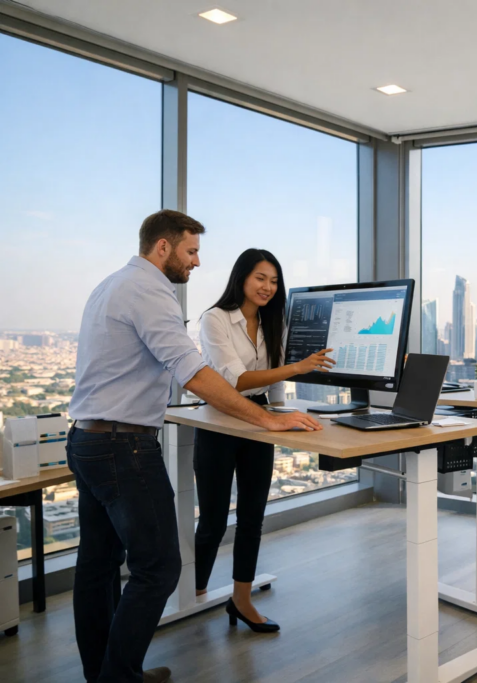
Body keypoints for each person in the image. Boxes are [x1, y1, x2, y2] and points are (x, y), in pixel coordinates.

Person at [68, 211, 322, 683]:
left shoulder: (111, 284)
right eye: (191, 251)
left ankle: (105, 672)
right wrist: (267, 418)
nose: (197, 262)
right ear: (162, 248)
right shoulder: (150, 292)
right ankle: (118, 677)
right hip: (124, 447)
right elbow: (197, 373)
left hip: (87, 438)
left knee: (98, 565)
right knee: (160, 568)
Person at [194, 248, 335, 632]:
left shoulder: (275, 322)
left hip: (258, 421)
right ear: (241, 277)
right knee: (211, 519)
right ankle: (194, 591)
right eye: (260, 278)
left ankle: (241, 600)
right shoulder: (215, 319)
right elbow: (235, 380)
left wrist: (280, 412)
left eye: (274, 281)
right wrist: (298, 367)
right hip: (220, 422)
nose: (268, 287)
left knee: (252, 517)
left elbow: (271, 379)